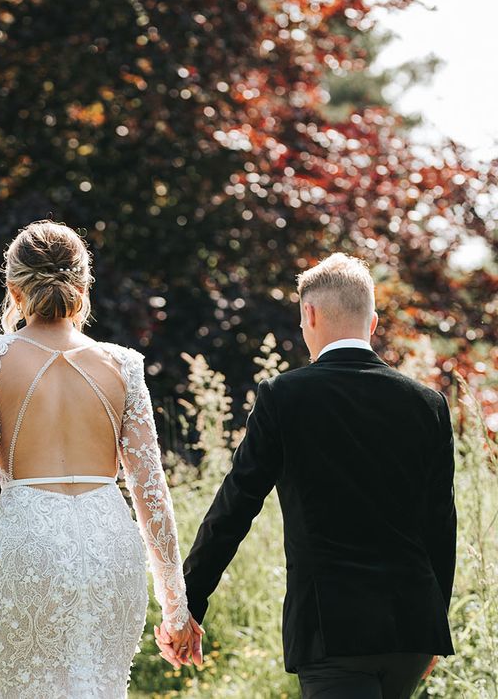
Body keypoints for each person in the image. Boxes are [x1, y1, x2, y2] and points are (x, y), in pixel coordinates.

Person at [157, 252, 457, 698]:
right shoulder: (428, 404)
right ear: (372, 322)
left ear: (309, 314)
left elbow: (235, 507)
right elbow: (441, 525)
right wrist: (435, 622)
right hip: (410, 630)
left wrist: (187, 605)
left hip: (330, 630)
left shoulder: (283, 397)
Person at [0, 220, 200, 698]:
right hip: (109, 543)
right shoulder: (123, 365)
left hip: (27, 540)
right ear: (82, 289)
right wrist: (176, 607)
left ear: (14, 290)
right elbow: (152, 493)